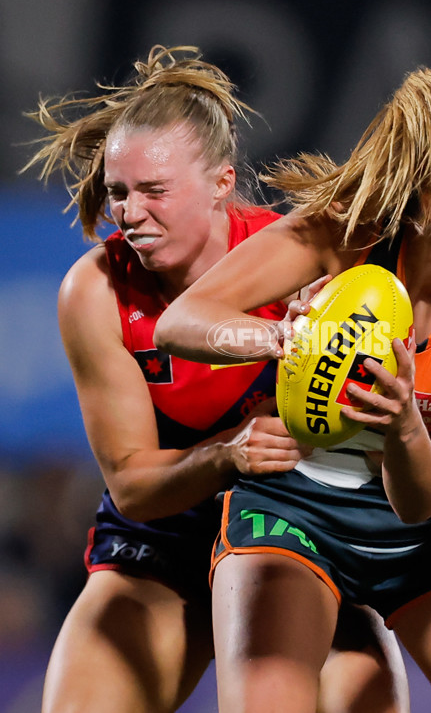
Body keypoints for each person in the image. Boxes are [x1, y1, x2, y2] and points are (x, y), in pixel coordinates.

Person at [154, 67, 431, 712]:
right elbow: (180, 324)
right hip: (295, 513)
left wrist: (402, 424)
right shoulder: (344, 235)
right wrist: (284, 342)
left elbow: (422, 500)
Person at [23, 45, 409, 713]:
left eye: (155, 191)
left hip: (299, 532)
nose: (131, 214)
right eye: (119, 193)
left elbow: (383, 436)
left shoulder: (308, 261)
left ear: (223, 184)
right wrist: (229, 455)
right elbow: (135, 485)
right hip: (164, 541)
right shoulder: (94, 289)